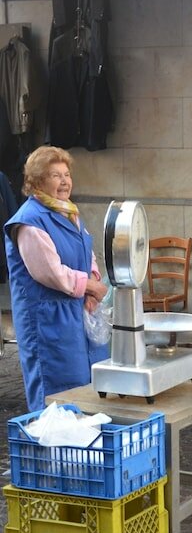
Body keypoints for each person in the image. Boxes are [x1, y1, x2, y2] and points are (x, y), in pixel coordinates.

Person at [3, 146, 109, 411]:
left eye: (67, 174)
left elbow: (86, 251)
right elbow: (50, 272)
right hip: (48, 324)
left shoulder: (68, 211)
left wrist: (92, 283)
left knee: (88, 392)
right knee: (57, 399)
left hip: (76, 316)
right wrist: (90, 285)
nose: (64, 181)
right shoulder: (29, 222)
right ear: (37, 181)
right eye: (55, 175)